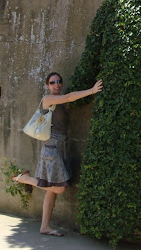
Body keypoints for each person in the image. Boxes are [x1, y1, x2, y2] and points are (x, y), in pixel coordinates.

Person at [12, 72, 103, 236]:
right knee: (59, 188)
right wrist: (91, 90)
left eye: (59, 81)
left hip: (61, 147)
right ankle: (25, 179)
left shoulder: (61, 103)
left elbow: (69, 100)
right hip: (51, 147)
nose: (56, 84)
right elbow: (69, 97)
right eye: (53, 82)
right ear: (48, 85)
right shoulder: (48, 99)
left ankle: (45, 226)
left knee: (52, 190)